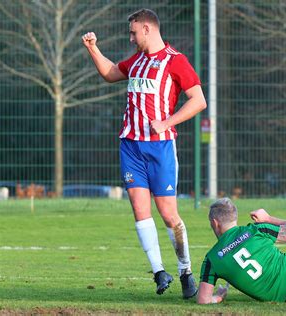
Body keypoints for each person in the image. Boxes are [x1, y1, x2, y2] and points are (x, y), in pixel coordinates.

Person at [82, 8, 206, 299]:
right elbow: (111, 73)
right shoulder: (137, 61)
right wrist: (92, 48)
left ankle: (186, 270)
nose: (131, 38)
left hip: (160, 147)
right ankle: (159, 271)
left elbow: (199, 100)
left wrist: (167, 121)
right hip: (131, 145)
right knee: (140, 209)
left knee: (168, 214)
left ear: (148, 29)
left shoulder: (176, 61)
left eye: (133, 32)